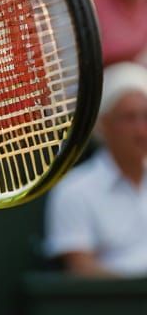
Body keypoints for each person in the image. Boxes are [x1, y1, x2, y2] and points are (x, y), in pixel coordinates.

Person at [44, 63, 147, 277]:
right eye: (129, 118)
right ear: (104, 124)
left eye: (146, 116)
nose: (141, 131)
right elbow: (81, 267)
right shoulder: (74, 190)